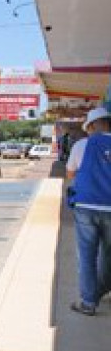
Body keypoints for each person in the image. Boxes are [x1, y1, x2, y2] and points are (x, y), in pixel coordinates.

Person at [66, 106, 111, 316]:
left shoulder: (81, 145)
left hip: (86, 207)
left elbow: (70, 174)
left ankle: (88, 302)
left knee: (87, 256)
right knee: (108, 255)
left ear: (92, 126)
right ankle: (101, 290)